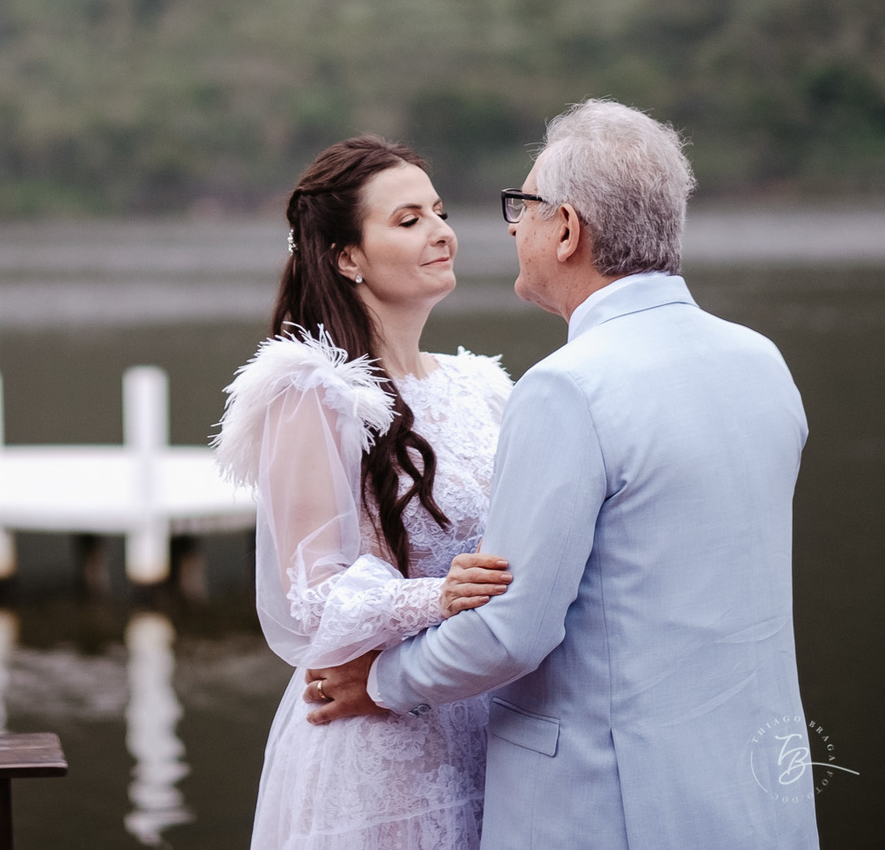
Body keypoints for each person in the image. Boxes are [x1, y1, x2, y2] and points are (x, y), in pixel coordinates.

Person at [305, 100, 820, 850]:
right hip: (761, 793)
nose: (514, 228)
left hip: (608, 804)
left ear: (568, 230)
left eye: (524, 207)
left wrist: (380, 681)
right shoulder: (761, 362)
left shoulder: (568, 388)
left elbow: (511, 633)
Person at [213, 134, 514, 850]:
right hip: (376, 738)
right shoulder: (313, 389)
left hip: (487, 715)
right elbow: (310, 595)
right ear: (347, 256)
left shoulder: (483, 385)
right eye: (408, 220)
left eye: (439, 213)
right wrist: (439, 596)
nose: (441, 233)